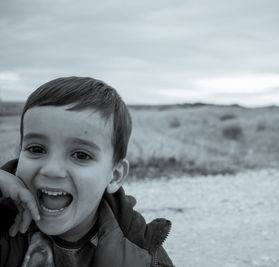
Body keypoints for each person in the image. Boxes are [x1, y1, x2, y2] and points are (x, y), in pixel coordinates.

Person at [0, 77, 174, 267]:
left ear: (114, 176)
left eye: (81, 155)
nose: (51, 170)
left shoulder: (141, 254)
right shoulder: (5, 227)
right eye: (36, 149)